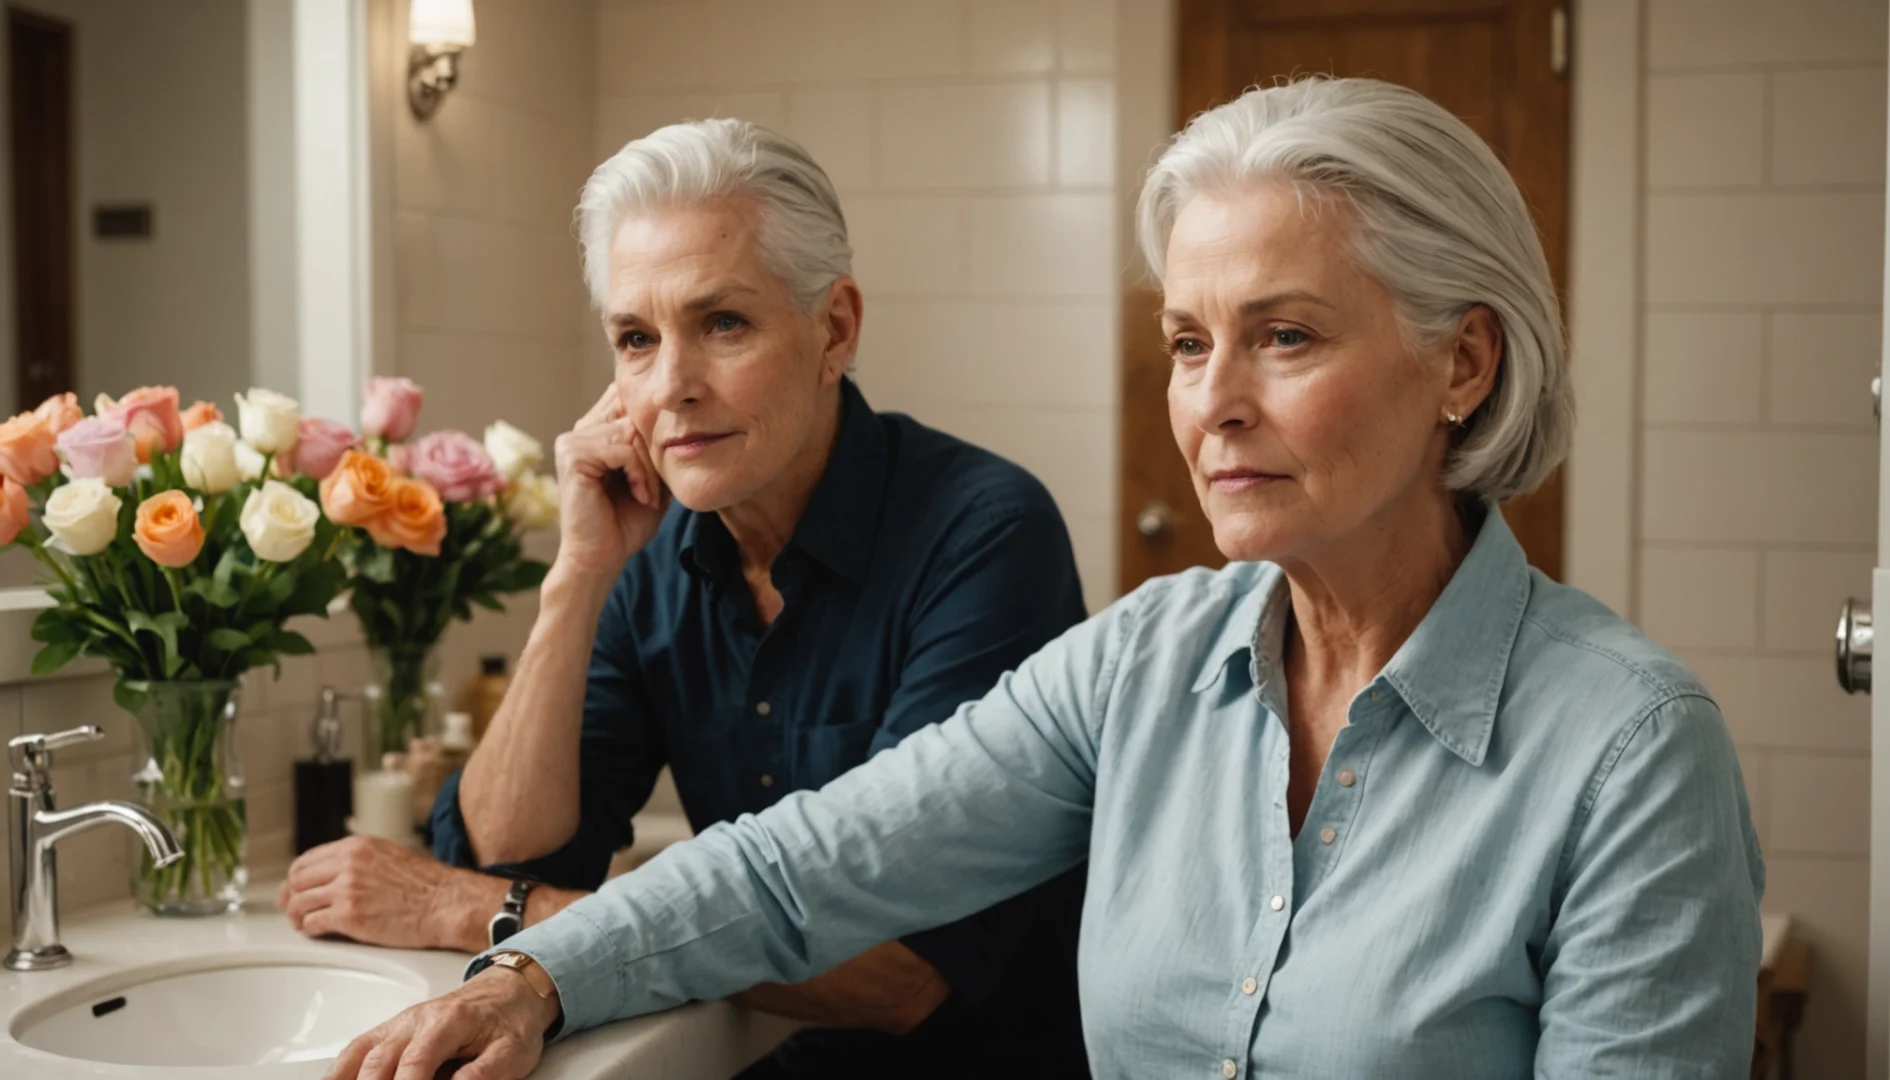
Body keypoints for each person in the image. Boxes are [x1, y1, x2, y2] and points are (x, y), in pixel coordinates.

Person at [324, 78, 1765, 1080]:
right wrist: (534, 975)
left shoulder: (1627, 750)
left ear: (1462, 362)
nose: (1210, 407)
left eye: (1285, 336)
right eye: (1190, 343)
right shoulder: (1144, 661)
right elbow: (803, 866)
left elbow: (895, 975)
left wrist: (486, 920)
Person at [280, 119, 1092, 1079]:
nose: (670, 387)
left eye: (723, 324)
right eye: (635, 338)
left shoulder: (986, 533)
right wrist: (577, 576)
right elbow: (518, 853)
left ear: (834, 329)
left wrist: (472, 914)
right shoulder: (651, 552)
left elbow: (897, 976)